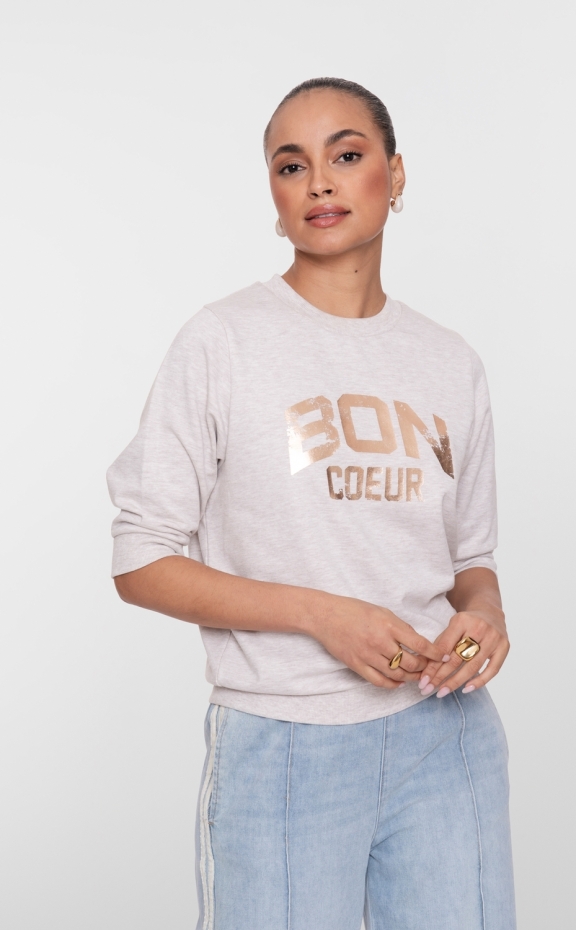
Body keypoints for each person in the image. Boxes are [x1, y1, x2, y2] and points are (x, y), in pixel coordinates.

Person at [107, 77, 516, 930]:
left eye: (347, 155)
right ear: (275, 193)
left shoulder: (451, 362)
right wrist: (322, 616)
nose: (320, 182)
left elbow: (470, 559)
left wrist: (486, 615)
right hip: (285, 745)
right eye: (291, 165)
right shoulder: (223, 341)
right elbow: (140, 559)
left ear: (394, 176)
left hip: (446, 735)